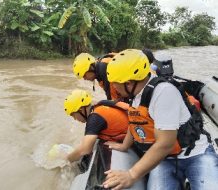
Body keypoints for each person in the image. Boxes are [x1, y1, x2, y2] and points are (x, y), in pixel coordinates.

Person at [102, 49, 218, 190]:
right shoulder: (137, 95)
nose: (114, 87)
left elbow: (165, 143)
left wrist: (131, 175)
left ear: (129, 83)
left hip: (195, 153)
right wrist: (124, 146)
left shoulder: (163, 92)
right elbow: (135, 122)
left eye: (115, 83)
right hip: (165, 159)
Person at [63, 89, 129, 162]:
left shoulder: (94, 119)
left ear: (81, 110)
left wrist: (67, 160)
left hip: (136, 139)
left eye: (74, 115)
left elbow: (85, 150)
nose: (75, 119)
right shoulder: (100, 105)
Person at [72, 49, 154, 101]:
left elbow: (113, 98)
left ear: (90, 68)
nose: (84, 79)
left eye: (84, 75)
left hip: (144, 84)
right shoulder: (101, 64)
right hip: (145, 79)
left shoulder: (103, 69)